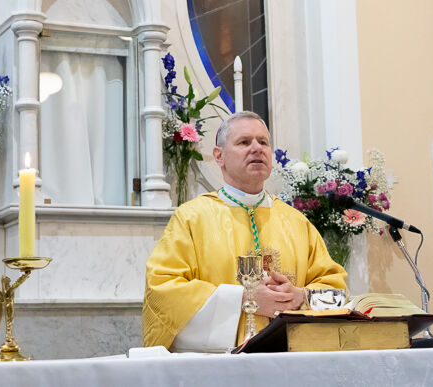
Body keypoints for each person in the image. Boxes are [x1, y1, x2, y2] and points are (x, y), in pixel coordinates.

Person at [142, 111, 347, 352]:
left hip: (290, 361)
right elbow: (162, 291)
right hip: (218, 366)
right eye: (244, 142)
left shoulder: (296, 222)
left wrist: (301, 296)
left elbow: (338, 292)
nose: (257, 148)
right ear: (219, 156)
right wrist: (242, 299)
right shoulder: (191, 218)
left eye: (263, 142)